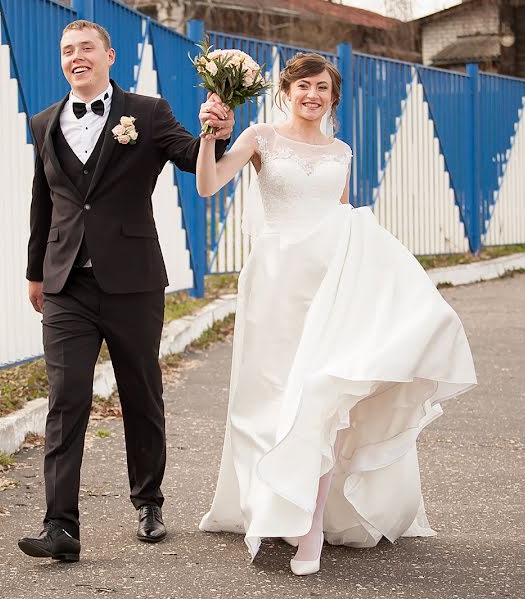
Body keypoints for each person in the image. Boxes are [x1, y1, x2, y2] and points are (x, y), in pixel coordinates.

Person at [195, 52, 477, 575]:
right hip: (276, 284)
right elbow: (208, 185)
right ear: (286, 91)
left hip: (333, 284)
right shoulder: (259, 137)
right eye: (304, 86)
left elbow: (344, 220)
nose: (313, 95)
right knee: (268, 395)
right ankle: (269, 507)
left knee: (324, 392)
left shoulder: (342, 150)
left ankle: (311, 523)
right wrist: (210, 135)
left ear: (333, 97)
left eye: (322, 87)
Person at [18, 20, 234, 563]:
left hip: (133, 282)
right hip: (67, 282)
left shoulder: (148, 112)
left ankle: (149, 501)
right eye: (67, 51)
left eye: (86, 48)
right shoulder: (45, 122)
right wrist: (35, 272)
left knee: (141, 392)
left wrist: (217, 130)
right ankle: (60, 526)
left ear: (110, 55)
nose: (76, 57)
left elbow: (191, 157)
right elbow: (42, 204)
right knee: (66, 401)